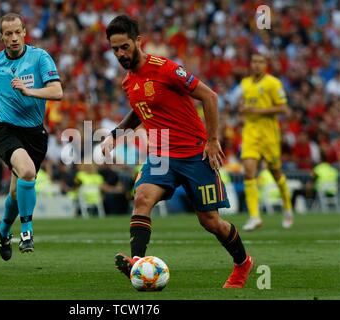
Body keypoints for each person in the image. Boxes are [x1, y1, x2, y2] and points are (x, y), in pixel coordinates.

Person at [101, 15, 253, 288]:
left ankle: (243, 263)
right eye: (115, 49)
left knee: (211, 222)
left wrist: (212, 139)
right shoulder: (128, 82)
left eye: (124, 47)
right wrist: (115, 134)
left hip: (196, 154)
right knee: (142, 198)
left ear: (138, 42)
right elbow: (140, 111)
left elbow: (210, 96)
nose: (120, 54)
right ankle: (138, 264)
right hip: (160, 156)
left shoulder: (167, 69)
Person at [0, 13, 63, 261]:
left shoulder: (40, 57)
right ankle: (27, 231)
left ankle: (3, 228)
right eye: (8, 34)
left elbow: (57, 91)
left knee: (18, 193)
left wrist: (29, 91)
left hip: (34, 133)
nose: (14, 37)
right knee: (27, 171)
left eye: (17, 32)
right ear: (1, 37)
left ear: (24, 32)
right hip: (5, 129)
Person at [238, 52, 294, 231]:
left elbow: (284, 109)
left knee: (276, 172)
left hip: (269, 136)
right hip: (250, 134)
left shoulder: (273, 83)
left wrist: (257, 111)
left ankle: (287, 208)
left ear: (266, 64)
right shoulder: (245, 83)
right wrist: (243, 109)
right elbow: (244, 105)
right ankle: (255, 216)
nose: (256, 65)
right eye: (254, 61)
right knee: (248, 172)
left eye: (260, 62)